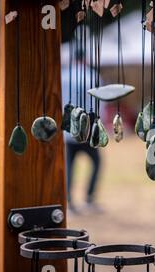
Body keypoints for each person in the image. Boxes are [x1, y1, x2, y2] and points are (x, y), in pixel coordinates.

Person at [61, 47, 103, 214]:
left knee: (69, 167)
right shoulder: (93, 76)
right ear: (84, 58)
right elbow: (101, 104)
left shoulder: (63, 76)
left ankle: (69, 203)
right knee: (97, 162)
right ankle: (89, 199)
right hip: (88, 130)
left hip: (68, 130)